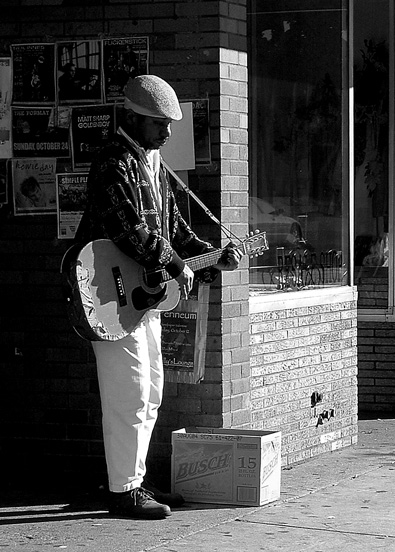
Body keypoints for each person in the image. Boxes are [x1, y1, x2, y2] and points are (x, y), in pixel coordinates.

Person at [74, 75, 242, 520]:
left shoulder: (152, 161)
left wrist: (211, 257)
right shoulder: (113, 160)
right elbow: (127, 228)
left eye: (170, 123)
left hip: (142, 297)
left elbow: (174, 232)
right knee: (127, 392)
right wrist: (174, 262)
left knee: (150, 391)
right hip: (109, 297)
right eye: (158, 124)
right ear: (131, 117)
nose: (167, 133)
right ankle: (122, 491)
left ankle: (135, 481)